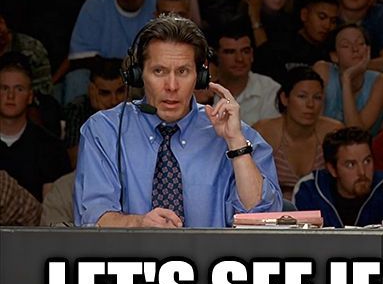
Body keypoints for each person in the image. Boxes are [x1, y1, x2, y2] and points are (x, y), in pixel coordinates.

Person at [73, 14, 282, 228]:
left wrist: (236, 143)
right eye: (159, 71)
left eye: (183, 71)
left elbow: (264, 222)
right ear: (138, 74)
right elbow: (92, 219)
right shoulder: (104, 130)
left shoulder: (238, 135)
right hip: (133, 251)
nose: (172, 86)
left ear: (200, 76)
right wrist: (140, 224)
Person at [65, 0, 158, 102]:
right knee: (77, 78)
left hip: (148, 77)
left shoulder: (159, 2)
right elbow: (80, 60)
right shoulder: (95, 5)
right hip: (106, 82)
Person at [253, 66, 342, 200]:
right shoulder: (264, 132)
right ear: (284, 98)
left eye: (317, 97)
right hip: (275, 208)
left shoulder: (333, 131)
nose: (310, 104)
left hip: (323, 207)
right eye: (302, 96)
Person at [293, 126, 383, 227]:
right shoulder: (309, 190)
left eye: (367, 161)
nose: (362, 172)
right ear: (332, 169)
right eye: (350, 164)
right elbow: (302, 238)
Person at [0, 52, 70, 202]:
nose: (10, 96)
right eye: (4, 88)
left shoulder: (51, 147)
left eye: (19, 89)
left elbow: (53, 208)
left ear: (30, 96)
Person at [314, 23, 383, 136]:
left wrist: (346, 78)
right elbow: (315, 126)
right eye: (346, 45)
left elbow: (356, 134)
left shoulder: (380, 81)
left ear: (368, 50)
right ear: (334, 56)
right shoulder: (323, 70)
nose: (355, 49)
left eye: (360, 43)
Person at [62, 56, 125, 167]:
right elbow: (75, 161)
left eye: (120, 91)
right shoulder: (78, 108)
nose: (114, 101)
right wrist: (101, 118)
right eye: (105, 93)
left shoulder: (137, 109)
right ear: (92, 90)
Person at [213, 26, 280, 126]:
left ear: (252, 55)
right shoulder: (202, 90)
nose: (239, 59)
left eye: (245, 51)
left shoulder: (269, 89)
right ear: (216, 56)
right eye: (230, 52)